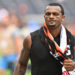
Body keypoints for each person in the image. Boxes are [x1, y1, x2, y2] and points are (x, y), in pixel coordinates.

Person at [13, 3, 75, 75]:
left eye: (55, 14)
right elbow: (21, 65)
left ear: (63, 17)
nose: (51, 16)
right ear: (44, 16)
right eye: (48, 14)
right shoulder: (31, 39)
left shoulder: (72, 40)